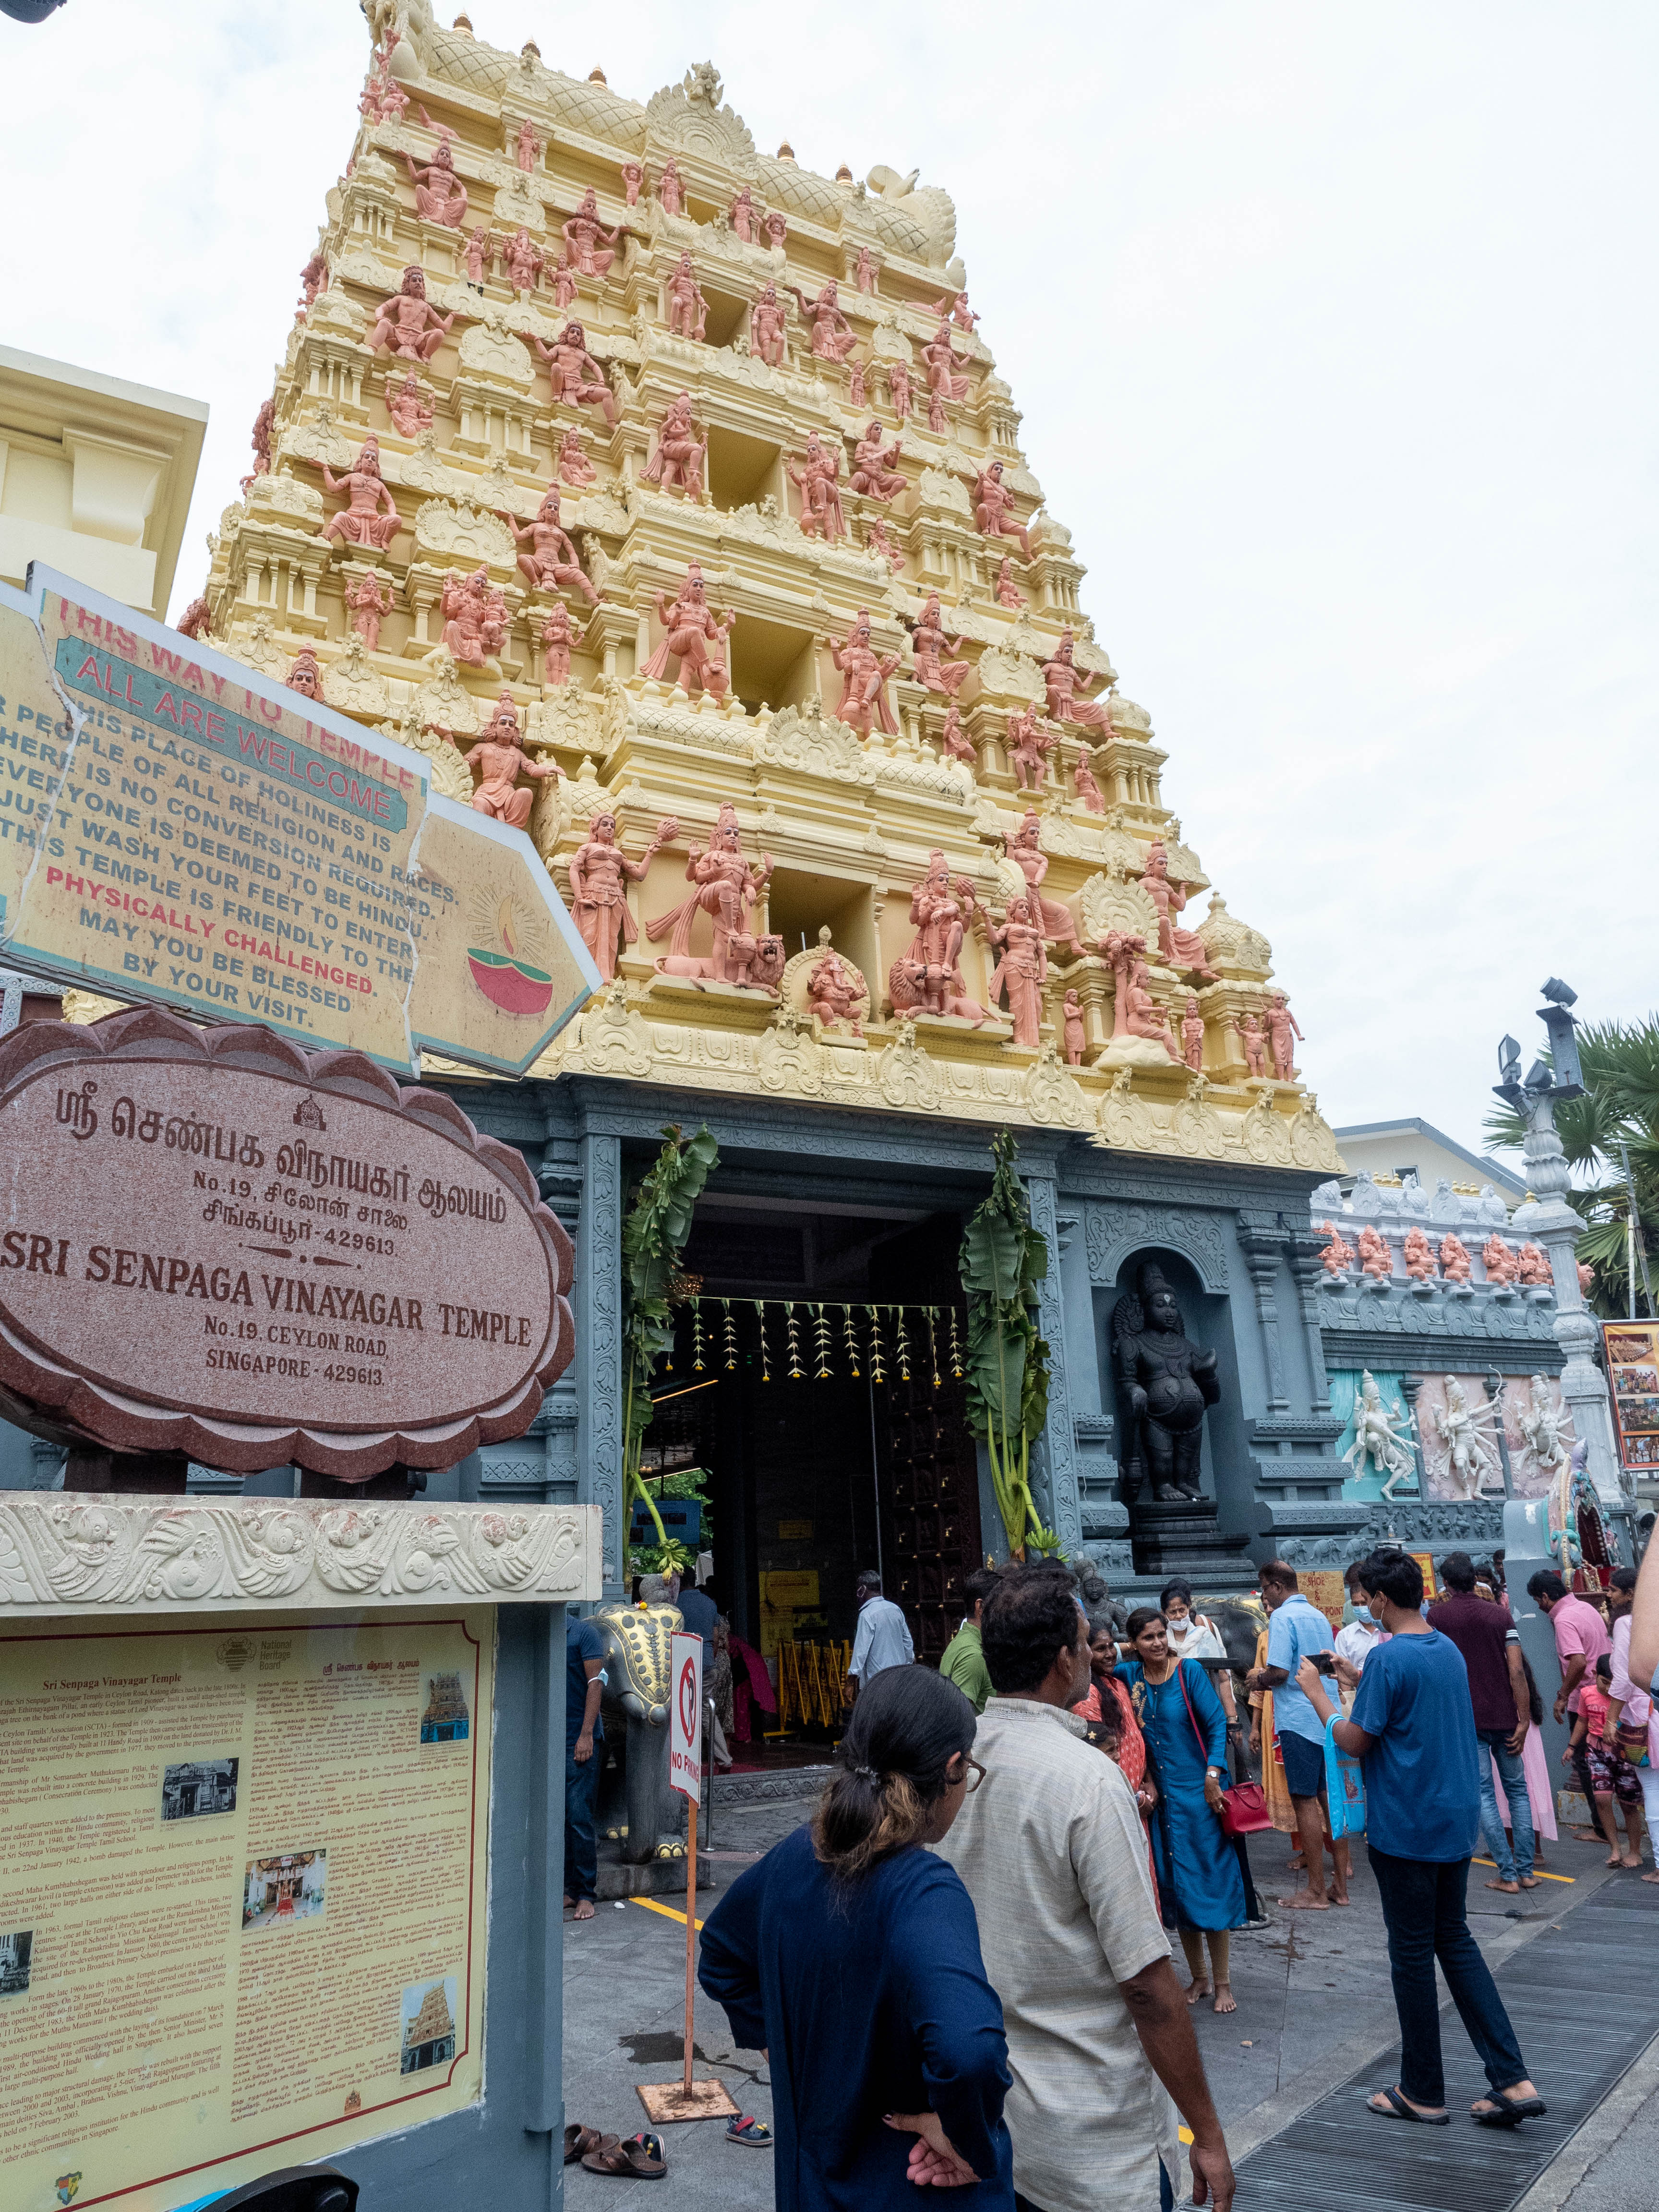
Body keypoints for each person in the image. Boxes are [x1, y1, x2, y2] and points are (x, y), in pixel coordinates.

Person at [935, 1565, 1235, 2212]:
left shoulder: (954, 1767)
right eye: (1084, 1638)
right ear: (1065, 1659)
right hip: (1092, 2144)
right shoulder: (1087, 1781)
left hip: (985, 2123)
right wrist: (1207, 2131)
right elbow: (1149, 1986)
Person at [699, 1666, 1014, 2209]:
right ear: (953, 1768)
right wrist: (968, 2138)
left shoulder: (795, 1855)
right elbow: (970, 2050)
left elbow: (721, 1953)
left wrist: (782, 2044)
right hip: (910, 2184)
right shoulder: (922, 1889)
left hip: (811, 2182)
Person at [1298, 1549, 1545, 2128]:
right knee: (1454, 1942)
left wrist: (1319, 1695)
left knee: (1411, 1955)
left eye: (1366, 1596)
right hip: (1452, 1817)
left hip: (1406, 1824)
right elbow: (1411, 1706)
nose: (1366, 1604)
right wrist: (1357, 1678)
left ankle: (1423, 2089)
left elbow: (1356, 1741)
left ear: (1381, 1599)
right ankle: (1512, 2076)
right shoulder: (1443, 1650)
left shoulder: (1391, 1658)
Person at [1119, 1608, 1246, 2014]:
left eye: (1161, 1635)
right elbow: (1099, 1663)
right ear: (1135, 1645)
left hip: (1201, 1797)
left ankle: (1224, 1982)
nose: (1158, 1643)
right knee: (1180, 1889)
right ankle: (1200, 1978)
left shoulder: (1188, 1673)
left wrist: (1214, 1774)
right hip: (1164, 1804)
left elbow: (1214, 1727)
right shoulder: (1131, 1678)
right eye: (1148, 1638)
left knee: (1210, 1883)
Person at [1427, 1552, 1536, 1893]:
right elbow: (1516, 1670)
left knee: (1485, 1793)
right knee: (1517, 1791)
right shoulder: (1500, 1616)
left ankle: (1507, 1874)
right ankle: (1527, 1871)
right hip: (1506, 1715)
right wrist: (1523, 1717)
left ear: (1445, 1582)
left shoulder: (1437, 1617)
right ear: (1474, 1579)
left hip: (1465, 1718)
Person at [1246, 1562, 1349, 1908]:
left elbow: (1278, 1673)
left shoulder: (1282, 1618)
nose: (1264, 1596)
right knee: (1329, 1798)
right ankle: (1339, 1888)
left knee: (1305, 1800)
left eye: (1264, 1588)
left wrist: (1257, 1679)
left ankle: (1317, 1890)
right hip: (1325, 1715)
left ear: (1276, 1586)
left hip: (1299, 1719)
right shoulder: (1318, 1616)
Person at [1528, 1566, 1612, 1834]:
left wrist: (1562, 1696)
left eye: (1537, 1601)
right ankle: (1607, 1827)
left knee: (1586, 1763)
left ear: (1544, 1597)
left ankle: (1601, 1829)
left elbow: (1577, 1662)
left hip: (1585, 1700)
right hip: (1604, 1696)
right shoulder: (1585, 1608)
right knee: (1606, 1760)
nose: (1539, 1607)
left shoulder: (1564, 1619)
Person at [1072, 1612, 1156, 1818]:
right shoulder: (1088, 1693)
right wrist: (1135, 1798)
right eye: (1101, 1649)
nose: (1110, 1653)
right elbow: (1099, 1754)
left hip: (1138, 1791)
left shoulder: (1118, 1684)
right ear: (1085, 1653)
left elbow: (1135, 1737)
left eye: (1111, 1646)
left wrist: (1149, 1780)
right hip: (1117, 1799)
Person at [1567, 1654, 1647, 1867]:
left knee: (1629, 1804)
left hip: (1624, 1756)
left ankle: (1635, 1851)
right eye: (1605, 1683)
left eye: (1615, 1685)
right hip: (1597, 1751)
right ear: (1595, 1675)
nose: (1610, 1689)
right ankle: (1614, 1848)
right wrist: (1571, 1747)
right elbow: (1582, 1721)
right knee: (1602, 1800)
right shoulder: (1587, 1694)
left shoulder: (1627, 1697)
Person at [1605, 1590, 1659, 1879]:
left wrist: (1611, 1718)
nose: (1608, 1595)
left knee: (1652, 1788)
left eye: (1613, 1589)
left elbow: (1625, 1675)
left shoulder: (1628, 1623)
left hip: (1646, 1717)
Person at [565, 1609, 605, 1922]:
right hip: (554, 1741)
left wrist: (587, 1735)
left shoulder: (582, 1634)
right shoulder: (544, 1632)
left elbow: (596, 1684)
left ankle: (586, 1894)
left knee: (579, 1817)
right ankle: (568, 1889)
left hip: (580, 1739)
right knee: (560, 1819)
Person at [844, 1569, 914, 1702]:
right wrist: (908, 1665)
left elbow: (861, 1651)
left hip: (878, 1681)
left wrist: (850, 1682)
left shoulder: (867, 1615)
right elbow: (908, 1643)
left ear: (863, 1589)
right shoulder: (895, 1609)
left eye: (858, 1589)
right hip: (899, 1677)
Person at [939, 1567, 999, 1714]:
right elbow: (956, 1718)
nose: (1007, 1611)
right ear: (980, 1606)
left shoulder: (964, 1641)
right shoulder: (974, 1656)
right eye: (1002, 1604)